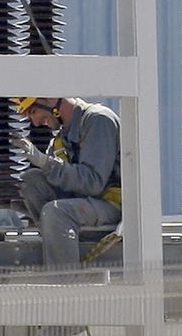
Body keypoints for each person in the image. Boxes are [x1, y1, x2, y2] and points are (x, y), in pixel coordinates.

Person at [15, 96, 123, 270]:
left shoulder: (98, 120)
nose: (35, 123)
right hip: (84, 205)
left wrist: (46, 162)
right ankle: (59, 247)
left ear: (50, 99)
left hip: (111, 205)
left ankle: (64, 287)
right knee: (31, 181)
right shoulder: (61, 138)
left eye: (34, 112)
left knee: (56, 212)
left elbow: (93, 182)